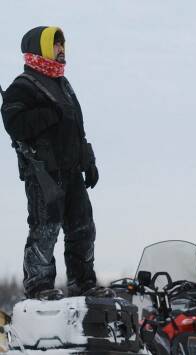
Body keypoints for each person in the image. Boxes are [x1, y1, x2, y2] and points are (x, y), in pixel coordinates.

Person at [1, 26, 109, 300]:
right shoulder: (22, 86)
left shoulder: (64, 85)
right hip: (43, 173)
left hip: (72, 172)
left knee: (83, 227)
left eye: (62, 44)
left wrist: (89, 160)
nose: (61, 49)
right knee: (45, 229)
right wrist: (48, 115)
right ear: (40, 48)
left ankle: (82, 283)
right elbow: (14, 124)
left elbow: (77, 128)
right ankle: (39, 287)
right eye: (55, 44)